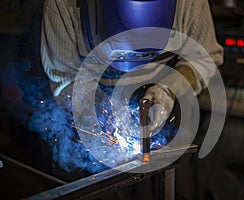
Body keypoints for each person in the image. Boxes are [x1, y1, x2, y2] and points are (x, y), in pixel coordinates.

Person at [41, 0, 223, 134]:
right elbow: (65, 77)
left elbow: (205, 58)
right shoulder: (63, 4)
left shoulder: (189, 3)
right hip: (91, 109)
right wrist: (100, 108)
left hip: (168, 110)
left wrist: (168, 90)